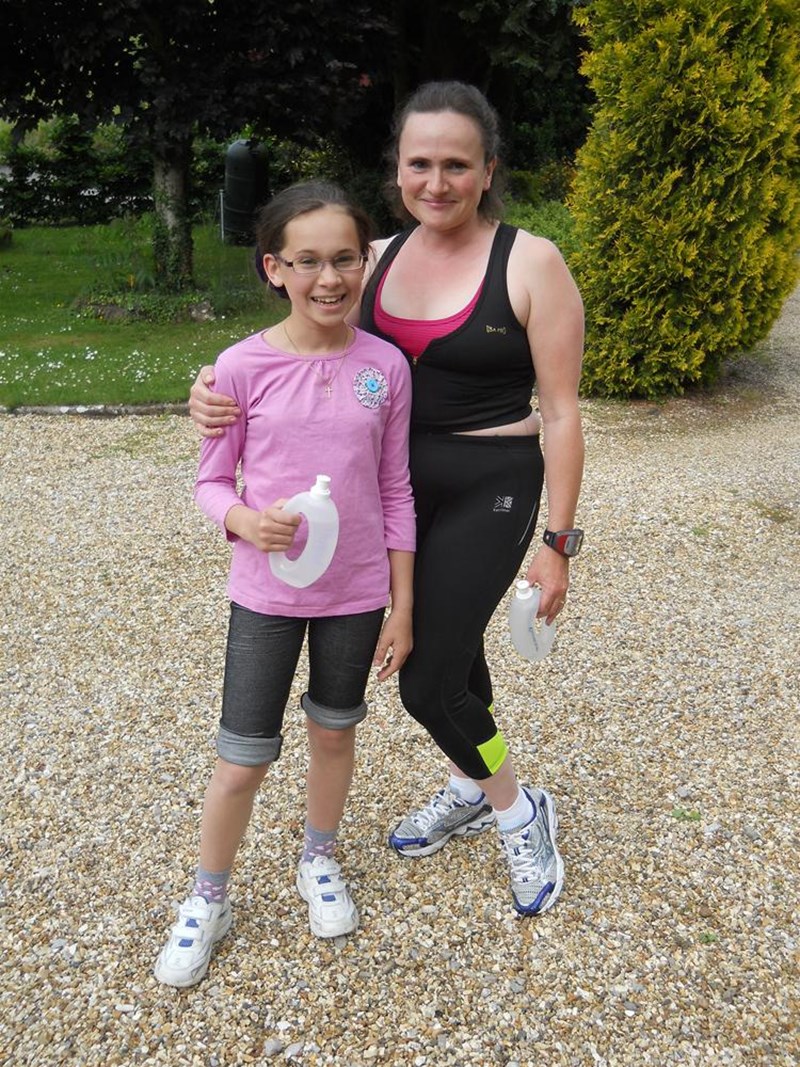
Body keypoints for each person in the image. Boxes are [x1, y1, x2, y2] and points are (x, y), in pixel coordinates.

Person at [188, 81, 585, 919]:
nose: (436, 182)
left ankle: (520, 810)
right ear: (398, 169)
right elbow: (307, 336)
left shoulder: (531, 262)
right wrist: (210, 389)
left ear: (488, 171)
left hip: (491, 484)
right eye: (419, 163)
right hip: (394, 491)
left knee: (426, 677)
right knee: (457, 656)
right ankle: (469, 782)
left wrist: (558, 543)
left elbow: (561, 412)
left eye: (456, 165)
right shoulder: (373, 258)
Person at [154, 181, 415, 988]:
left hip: (357, 594)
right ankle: (209, 895)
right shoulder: (240, 368)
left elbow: (396, 487)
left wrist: (403, 602)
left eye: (344, 259)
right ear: (275, 268)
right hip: (266, 596)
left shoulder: (385, 367)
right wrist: (244, 520)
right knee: (242, 756)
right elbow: (210, 482)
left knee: (334, 732)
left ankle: (319, 857)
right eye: (307, 261)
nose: (328, 278)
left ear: (365, 261)